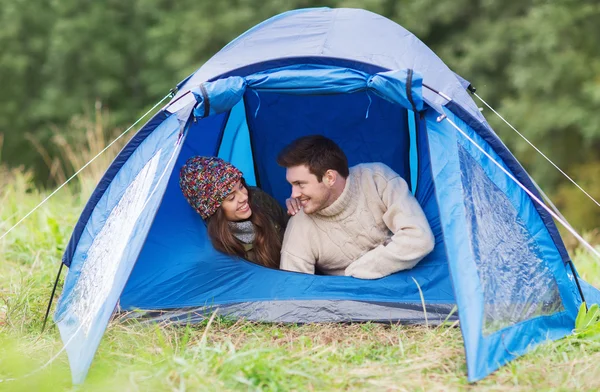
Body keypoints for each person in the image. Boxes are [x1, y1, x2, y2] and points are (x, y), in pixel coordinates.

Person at [278, 135, 435, 279]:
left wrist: (356, 270)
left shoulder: (376, 180)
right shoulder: (300, 226)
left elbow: (419, 238)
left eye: (300, 184)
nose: (294, 194)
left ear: (329, 178)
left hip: (417, 286)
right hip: (355, 305)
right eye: (291, 185)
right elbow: (293, 292)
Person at [179, 156, 287, 269]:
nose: (243, 197)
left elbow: (289, 228)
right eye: (231, 198)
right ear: (214, 210)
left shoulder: (258, 199)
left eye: (241, 187)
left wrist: (295, 208)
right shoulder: (214, 249)